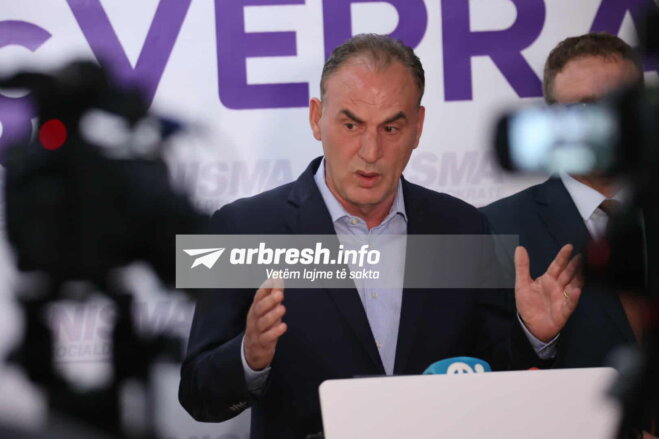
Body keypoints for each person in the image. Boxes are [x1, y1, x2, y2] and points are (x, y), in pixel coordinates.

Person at [179, 34, 582, 439]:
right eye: (351, 124)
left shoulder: (463, 226)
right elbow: (196, 394)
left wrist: (533, 335)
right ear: (316, 118)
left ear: (418, 127)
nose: (370, 151)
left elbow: (494, 373)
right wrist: (248, 357)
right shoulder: (238, 228)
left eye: (391, 127)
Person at [481, 33, 656, 438]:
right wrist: (534, 336)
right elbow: (479, 379)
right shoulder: (494, 228)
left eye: (617, 105)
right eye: (582, 110)